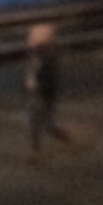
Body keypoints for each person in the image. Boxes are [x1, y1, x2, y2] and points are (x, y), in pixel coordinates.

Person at [25, 23, 70, 158]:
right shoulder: (36, 54)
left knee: (41, 122)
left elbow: (46, 76)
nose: (29, 40)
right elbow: (32, 71)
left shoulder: (47, 56)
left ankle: (37, 149)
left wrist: (37, 86)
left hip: (45, 93)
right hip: (39, 92)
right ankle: (38, 148)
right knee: (40, 122)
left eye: (33, 37)